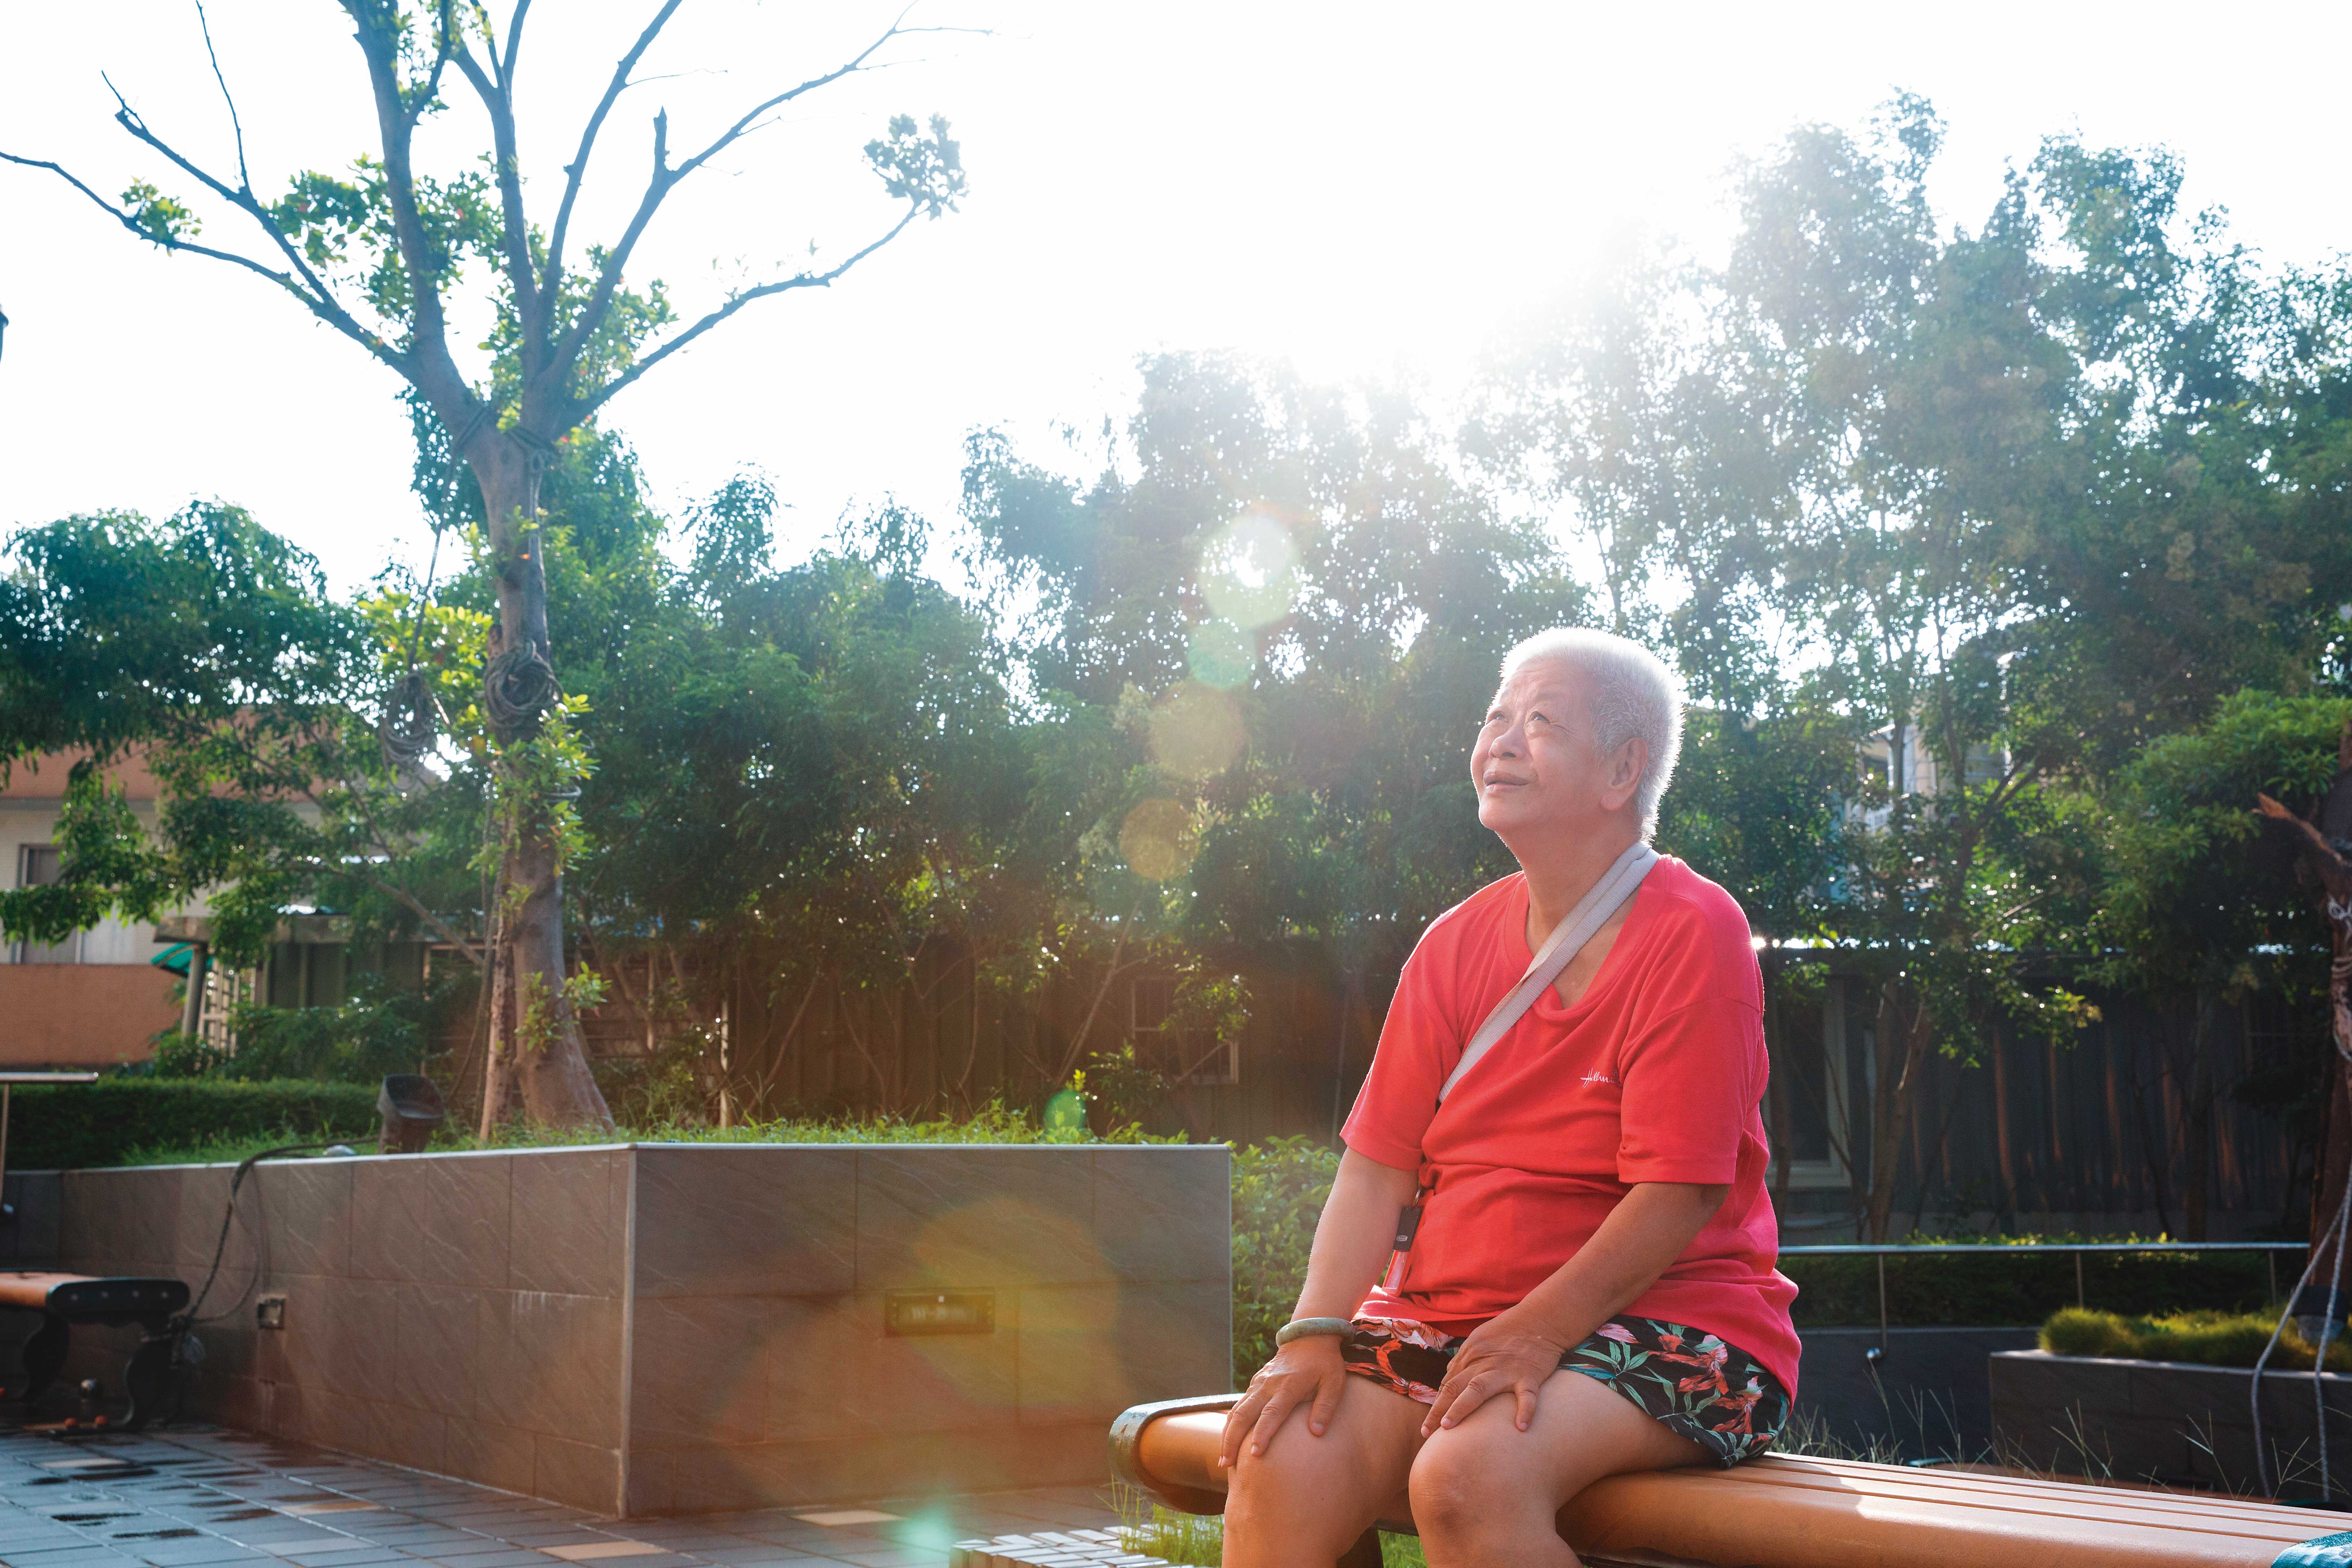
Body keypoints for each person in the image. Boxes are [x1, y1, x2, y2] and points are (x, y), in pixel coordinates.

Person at [1219, 627, 1798, 1568]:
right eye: (1497, 717)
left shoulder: (1694, 930)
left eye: (1541, 722)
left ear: (1622, 770)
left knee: (1469, 1475)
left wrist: (1534, 1333)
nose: (1503, 739)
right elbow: (1375, 1171)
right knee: (1280, 1453)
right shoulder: (1453, 944)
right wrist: (1314, 1336)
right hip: (1449, 1322)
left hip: (1677, 1330)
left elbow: (1680, 1193)